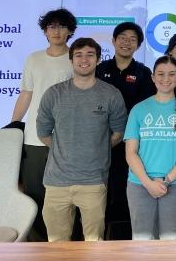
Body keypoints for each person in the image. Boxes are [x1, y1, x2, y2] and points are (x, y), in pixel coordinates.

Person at [36, 37, 127, 242]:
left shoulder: (111, 94)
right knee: (56, 244)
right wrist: (66, 148)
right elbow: (43, 133)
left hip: (93, 182)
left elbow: (118, 133)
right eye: (78, 55)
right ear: (71, 60)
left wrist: (96, 149)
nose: (84, 59)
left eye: (89, 55)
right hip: (56, 182)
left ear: (98, 59)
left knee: (94, 243)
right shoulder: (54, 94)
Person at [10, 8, 77, 241]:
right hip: (33, 139)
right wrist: (14, 125)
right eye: (51, 26)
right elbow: (26, 94)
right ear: (45, 31)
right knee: (35, 194)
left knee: (67, 195)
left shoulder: (76, 59)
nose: (56, 31)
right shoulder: (34, 58)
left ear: (70, 31)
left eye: (61, 26)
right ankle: (38, 246)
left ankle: (69, 246)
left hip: (66, 140)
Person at [124, 55, 176, 240]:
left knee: (170, 240)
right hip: (140, 184)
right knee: (141, 241)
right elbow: (130, 153)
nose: (166, 79)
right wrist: (148, 183)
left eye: (171, 74)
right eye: (161, 74)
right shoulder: (139, 109)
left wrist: (166, 181)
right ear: (152, 77)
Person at [96, 21, 156, 240]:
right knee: (98, 192)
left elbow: (147, 108)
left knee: (123, 192)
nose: (126, 42)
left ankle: (122, 242)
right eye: (122, 37)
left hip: (129, 144)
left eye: (132, 39)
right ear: (113, 41)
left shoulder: (143, 72)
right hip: (99, 142)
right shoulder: (99, 69)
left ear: (138, 45)